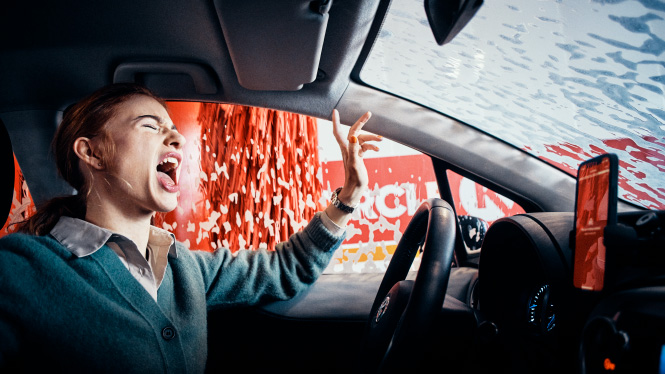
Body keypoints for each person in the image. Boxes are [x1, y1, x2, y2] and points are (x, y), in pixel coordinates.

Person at [0, 83, 381, 373]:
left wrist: (349, 195)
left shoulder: (185, 268)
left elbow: (286, 267)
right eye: (151, 125)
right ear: (92, 152)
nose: (177, 138)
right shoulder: (21, 269)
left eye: (172, 129)